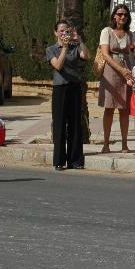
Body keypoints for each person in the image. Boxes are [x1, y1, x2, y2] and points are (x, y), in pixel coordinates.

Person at [47, 20, 89, 170]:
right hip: (60, 89)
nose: (64, 34)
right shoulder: (51, 49)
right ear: (56, 33)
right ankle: (59, 160)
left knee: (75, 124)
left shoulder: (74, 47)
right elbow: (58, 65)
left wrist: (80, 41)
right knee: (59, 125)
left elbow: (86, 55)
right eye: (62, 31)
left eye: (67, 31)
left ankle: (75, 160)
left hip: (74, 87)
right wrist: (64, 48)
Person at [99, 4, 134, 154]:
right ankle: (106, 143)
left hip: (126, 70)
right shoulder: (107, 31)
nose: (122, 17)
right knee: (109, 108)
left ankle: (124, 144)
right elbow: (105, 54)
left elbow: (132, 53)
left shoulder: (130, 34)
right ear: (114, 15)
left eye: (125, 15)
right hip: (111, 70)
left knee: (124, 109)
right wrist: (120, 69)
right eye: (120, 14)